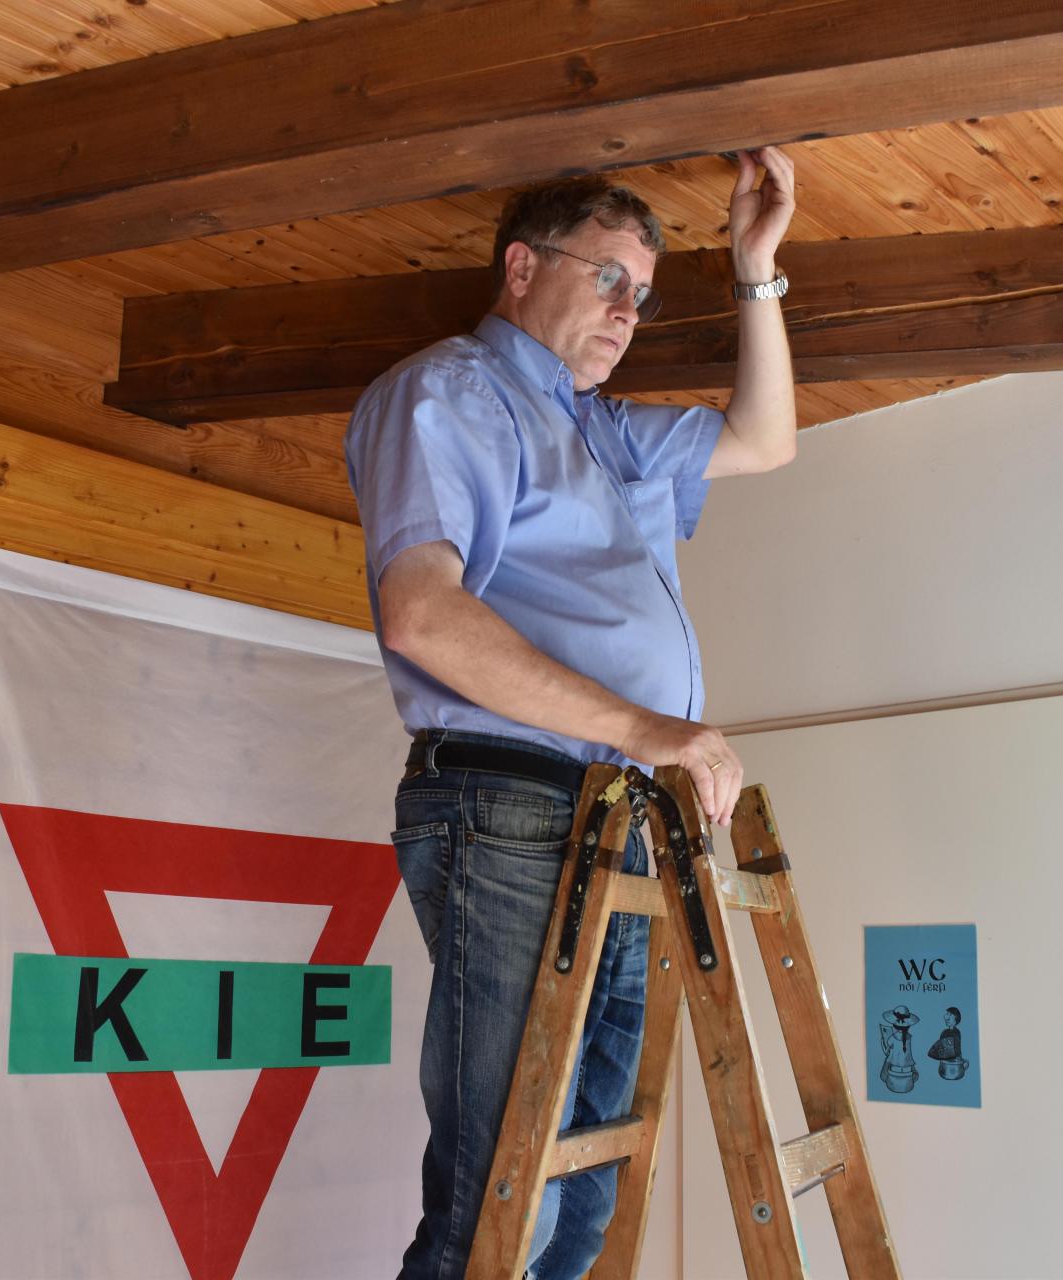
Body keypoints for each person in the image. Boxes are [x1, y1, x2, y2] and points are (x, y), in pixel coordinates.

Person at [345, 147, 800, 1280]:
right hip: (512, 804)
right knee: (500, 1210)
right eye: (607, 279)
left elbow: (767, 439)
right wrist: (651, 731)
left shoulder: (606, 429)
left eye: (642, 294)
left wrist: (754, 269)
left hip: (614, 815)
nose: (628, 312)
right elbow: (421, 614)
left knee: (582, 1204)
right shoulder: (449, 391)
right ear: (520, 266)